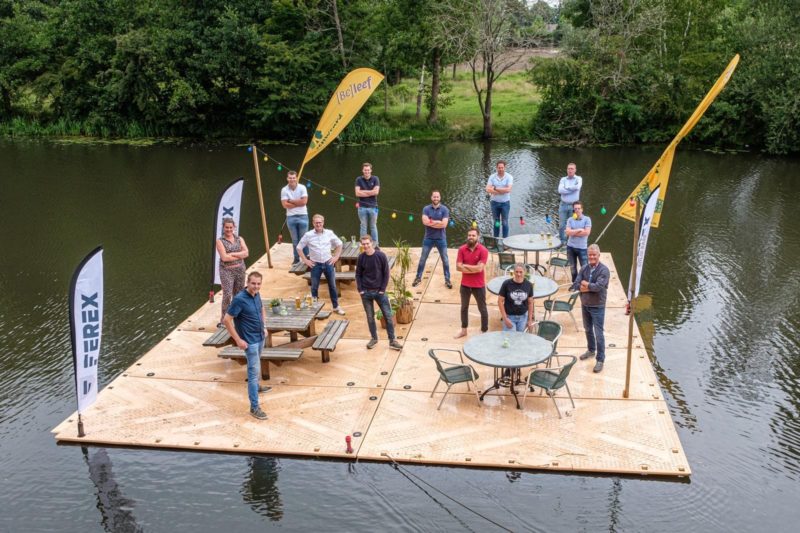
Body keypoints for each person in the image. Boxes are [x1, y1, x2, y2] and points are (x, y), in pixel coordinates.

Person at [223, 271, 270, 420]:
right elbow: (226, 320)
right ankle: (254, 407)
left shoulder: (257, 295)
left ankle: (256, 387)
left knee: (256, 368)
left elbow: (262, 308)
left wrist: (264, 326)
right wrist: (238, 340)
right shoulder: (239, 299)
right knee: (252, 372)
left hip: (260, 337)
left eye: (258, 284)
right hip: (250, 342)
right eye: (253, 283)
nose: (256, 286)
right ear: (247, 283)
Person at [356, 235, 403, 351]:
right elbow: (358, 274)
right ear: (361, 245)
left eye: (367, 243)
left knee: (388, 316)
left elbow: (386, 273)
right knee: (370, 317)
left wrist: (382, 289)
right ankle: (374, 338)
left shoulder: (380, 255)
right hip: (366, 292)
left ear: (372, 243)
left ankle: (392, 340)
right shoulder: (361, 257)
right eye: (364, 244)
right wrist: (360, 290)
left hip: (379, 292)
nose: (366, 246)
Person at [571, 244, 609, 373]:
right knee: (587, 329)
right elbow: (576, 284)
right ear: (587, 256)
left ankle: (600, 359)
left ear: (599, 255)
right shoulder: (584, 268)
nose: (592, 257)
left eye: (594, 255)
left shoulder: (604, 270)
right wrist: (587, 286)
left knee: (599, 333)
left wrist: (586, 284)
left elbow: (598, 287)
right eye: (590, 255)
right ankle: (591, 350)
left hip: (598, 306)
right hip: (585, 304)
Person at [297, 214, 346, 315]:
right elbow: (299, 248)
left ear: (323, 223)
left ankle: (336, 307)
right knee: (314, 287)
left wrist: (336, 257)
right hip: (315, 265)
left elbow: (339, 244)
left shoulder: (329, 233)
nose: (318, 224)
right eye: (316, 222)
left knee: (332, 286)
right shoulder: (308, 235)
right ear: (313, 223)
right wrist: (306, 261)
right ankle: (315, 308)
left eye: (320, 222)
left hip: (328, 263)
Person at [413, 190, 452, 289]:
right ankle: (418, 277)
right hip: (428, 238)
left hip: (441, 239)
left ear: (440, 198)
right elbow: (425, 222)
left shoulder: (445, 209)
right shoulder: (426, 209)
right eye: (434, 197)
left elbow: (444, 224)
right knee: (422, 259)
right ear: (431, 198)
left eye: (437, 197)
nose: (436, 198)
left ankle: (447, 279)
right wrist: (438, 222)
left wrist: (432, 222)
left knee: (445, 260)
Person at [454, 228, 489, 338]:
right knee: (464, 308)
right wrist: (474, 267)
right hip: (465, 285)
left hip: (478, 285)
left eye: (473, 235)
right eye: (469, 235)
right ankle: (464, 330)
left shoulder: (483, 250)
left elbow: (480, 269)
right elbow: (458, 267)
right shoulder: (462, 249)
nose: (470, 237)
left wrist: (465, 266)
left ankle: (484, 331)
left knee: (482, 309)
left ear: (478, 237)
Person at [216, 217, 249, 325]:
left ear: (234, 227)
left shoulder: (240, 239)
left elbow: (246, 253)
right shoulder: (220, 241)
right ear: (223, 227)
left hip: (240, 269)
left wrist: (232, 254)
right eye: (227, 227)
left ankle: (237, 316)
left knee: (239, 294)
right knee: (227, 294)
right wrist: (239, 255)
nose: (229, 229)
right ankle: (224, 320)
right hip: (227, 271)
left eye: (231, 227)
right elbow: (224, 258)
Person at [280, 170, 309, 266]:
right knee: (295, 240)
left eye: (293, 177)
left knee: (304, 239)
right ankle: (296, 259)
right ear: (287, 178)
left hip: (303, 216)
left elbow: (304, 202)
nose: (292, 179)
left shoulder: (302, 187)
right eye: (290, 178)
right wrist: (298, 203)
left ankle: (307, 258)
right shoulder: (284, 190)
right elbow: (284, 205)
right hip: (291, 217)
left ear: (296, 178)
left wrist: (291, 201)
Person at [498, 263, 535, 332]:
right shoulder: (506, 284)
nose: (518, 274)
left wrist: (529, 320)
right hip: (510, 317)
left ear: (525, 272)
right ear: (513, 272)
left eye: (521, 272)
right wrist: (505, 318)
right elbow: (500, 301)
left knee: (519, 339)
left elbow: (530, 303)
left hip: (523, 318)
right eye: (516, 272)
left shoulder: (529, 285)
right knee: (510, 339)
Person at [485, 160, 514, 238]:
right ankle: (496, 241)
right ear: (496, 168)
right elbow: (487, 189)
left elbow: (508, 190)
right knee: (496, 222)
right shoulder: (492, 176)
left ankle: (505, 242)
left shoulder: (509, 177)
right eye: (499, 168)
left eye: (502, 167)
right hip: (494, 203)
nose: (500, 169)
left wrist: (494, 188)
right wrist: (502, 191)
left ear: (505, 168)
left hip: (505, 203)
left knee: (504, 222)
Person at [354, 162, 380, 246]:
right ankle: (363, 245)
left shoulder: (375, 179)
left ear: (371, 170)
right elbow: (357, 193)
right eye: (365, 170)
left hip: (373, 207)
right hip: (362, 207)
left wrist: (363, 192)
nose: (367, 172)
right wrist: (370, 192)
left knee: (373, 226)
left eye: (368, 170)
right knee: (363, 226)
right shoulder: (358, 179)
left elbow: (376, 192)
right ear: (362, 170)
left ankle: (376, 245)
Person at [565, 200, 592, 281]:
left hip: (582, 248)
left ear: (582, 209)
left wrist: (572, 232)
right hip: (570, 247)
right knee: (572, 267)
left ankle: (585, 283)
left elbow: (587, 232)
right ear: (573, 210)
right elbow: (567, 232)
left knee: (585, 267)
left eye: (579, 208)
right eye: (575, 209)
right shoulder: (570, 219)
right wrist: (579, 230)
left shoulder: (587, 219)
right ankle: (575, 283)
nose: (577, 210)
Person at [558, 163, 582, 246]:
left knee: (573, 224)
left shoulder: (578, 179)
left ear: (575, 170)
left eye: (572, 168)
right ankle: (562, 242)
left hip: (574, 207)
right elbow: (560, 190)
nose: (570, 170)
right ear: (567, 170)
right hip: (563, 205)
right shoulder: (563, 179)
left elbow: (577, 187)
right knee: (562, 225)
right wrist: (572, 189)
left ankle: (570, 243)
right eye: (568, 168)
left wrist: (566, 189)